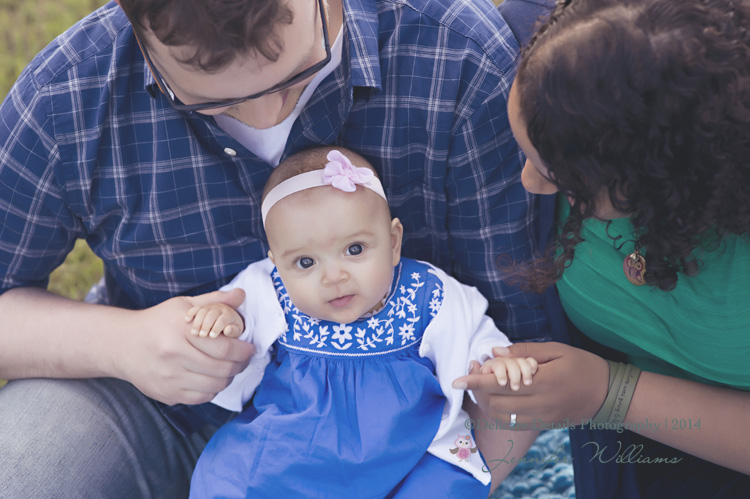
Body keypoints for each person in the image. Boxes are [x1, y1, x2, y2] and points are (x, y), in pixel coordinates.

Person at [0, 0, 548, 496]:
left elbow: (520, 344)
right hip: (154, 410)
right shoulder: (68, 93)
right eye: (209, 102)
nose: (266, 118)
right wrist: (126, 345)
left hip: (400, 445)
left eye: (297, 77)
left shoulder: (457, 55)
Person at [456, 0, 750, 497]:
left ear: (662, 179)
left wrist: (608, 394)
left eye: (559, 179)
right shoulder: (565, 75)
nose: (527, 184)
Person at [185, 146, 539, 497]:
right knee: (231, 477)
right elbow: (240, 324)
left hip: (405, 451)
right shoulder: (269, 289)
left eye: (354, 249)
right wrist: (225, 318)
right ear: (276, 264)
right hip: (294, 448)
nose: (333, 277)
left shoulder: (427, 293)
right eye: (306, 263)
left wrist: (499, 364)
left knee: (442, 484)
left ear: (393, 241)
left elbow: (474, 336)